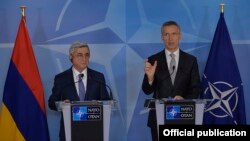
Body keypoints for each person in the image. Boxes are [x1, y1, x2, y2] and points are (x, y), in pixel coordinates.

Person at [142, 21, 201, 141]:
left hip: (184, 115)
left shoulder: (191, 60)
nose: (170, 38)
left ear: (180, 36)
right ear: (162, 37)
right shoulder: (153, 60)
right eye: (166, 34)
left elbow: (195, 88)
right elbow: (146, 90)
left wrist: (184, 99)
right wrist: (150, 78)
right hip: (159, 117)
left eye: (174, 34)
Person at [48, 41, 110, 141]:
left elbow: (106, 101)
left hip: (94, 132)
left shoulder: (98, 77)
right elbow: (51, 103)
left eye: (87, 55)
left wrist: (98, 104)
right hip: (69, 133)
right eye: (80, 55)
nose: (84, 59)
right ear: (71, 57)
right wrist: (62, 104)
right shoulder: (61, 79)